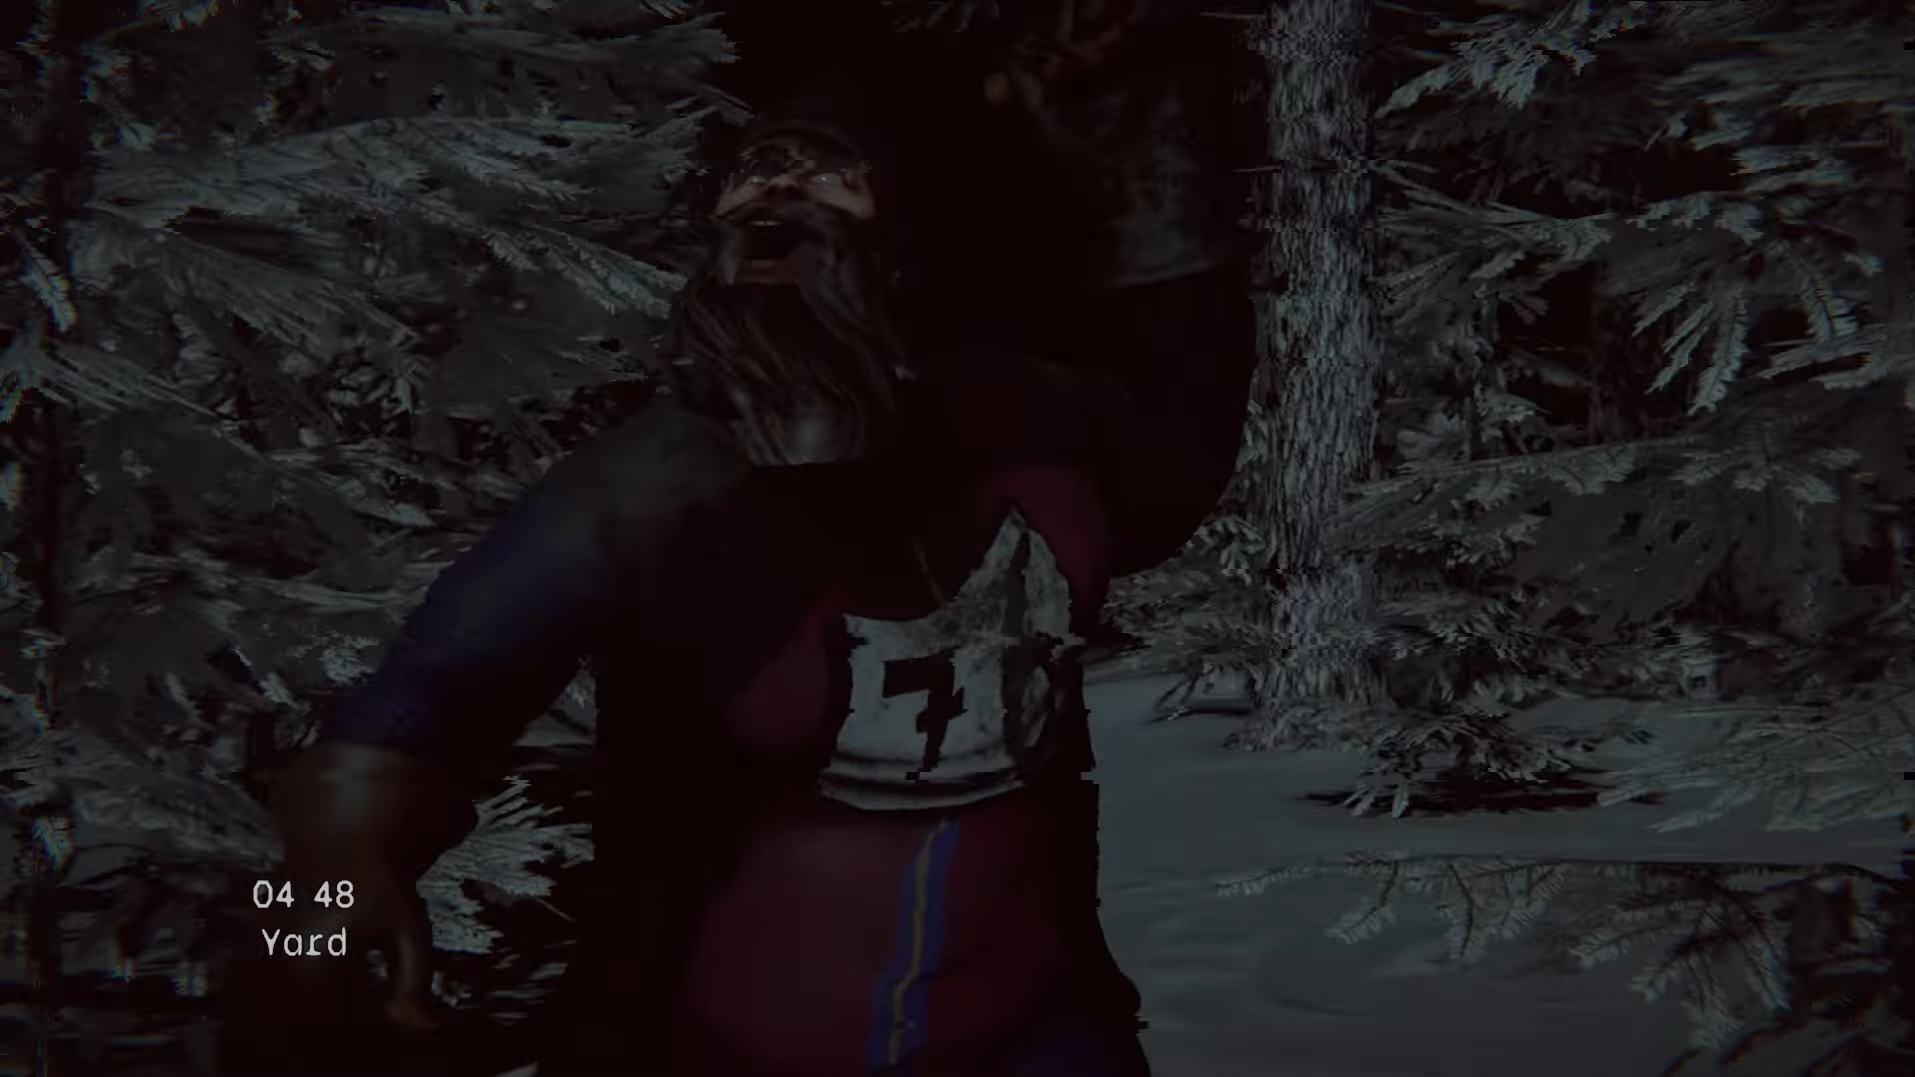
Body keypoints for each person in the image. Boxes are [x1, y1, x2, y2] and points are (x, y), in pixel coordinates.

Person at [221, 12, 1253, 1077]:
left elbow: (1181, 427)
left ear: (907, 234)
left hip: (1031, 1034)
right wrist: (310, 912)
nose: (778, 193)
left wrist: (1138, 126)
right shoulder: (649, 488)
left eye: (827, 176)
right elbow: (412, 712)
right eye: (756, 172)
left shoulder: (1039, 431)